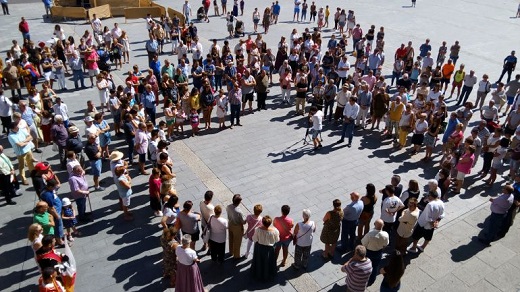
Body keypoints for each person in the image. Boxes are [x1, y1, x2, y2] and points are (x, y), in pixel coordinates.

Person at [251, 215, 280, 280]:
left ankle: (259, 273)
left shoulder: (258, 229)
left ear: (262, 222)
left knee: (259, 262)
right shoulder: (275, 231)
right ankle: (268, 274)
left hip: (260, 248)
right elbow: (277, 240)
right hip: (270, 250)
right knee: (268, 262)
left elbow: (254, 239)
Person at [361, 219, 389, 286]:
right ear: (383, 225)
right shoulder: (385, 234)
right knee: (375, 266)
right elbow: (386, 244)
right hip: (378, 252)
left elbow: (363, 243)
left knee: (366, 265)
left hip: (369, 252)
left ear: (374, 224)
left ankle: (364, 278)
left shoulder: (369, 234)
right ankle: (372, 279)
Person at [8, 121, 35, 185]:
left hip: (28, 149)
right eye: (16, 126)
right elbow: (19, 145)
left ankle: (33, 174)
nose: (18, 127)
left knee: (30, 162)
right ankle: (24, 179)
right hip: (21, 153)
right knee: (22, 166)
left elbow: (30, 137)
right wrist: (27, 141)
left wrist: (24, 141)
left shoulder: (21, 130)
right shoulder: (11, 136)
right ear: (13, 128)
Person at [226, 194, 245, 259]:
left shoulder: (228, 206)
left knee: (231, 239)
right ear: (239, 202)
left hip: (230, 224)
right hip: (237, 227)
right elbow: (243, 222)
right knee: (237, 242)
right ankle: (236, 256)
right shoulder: (239, 211)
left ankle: (231, 252)